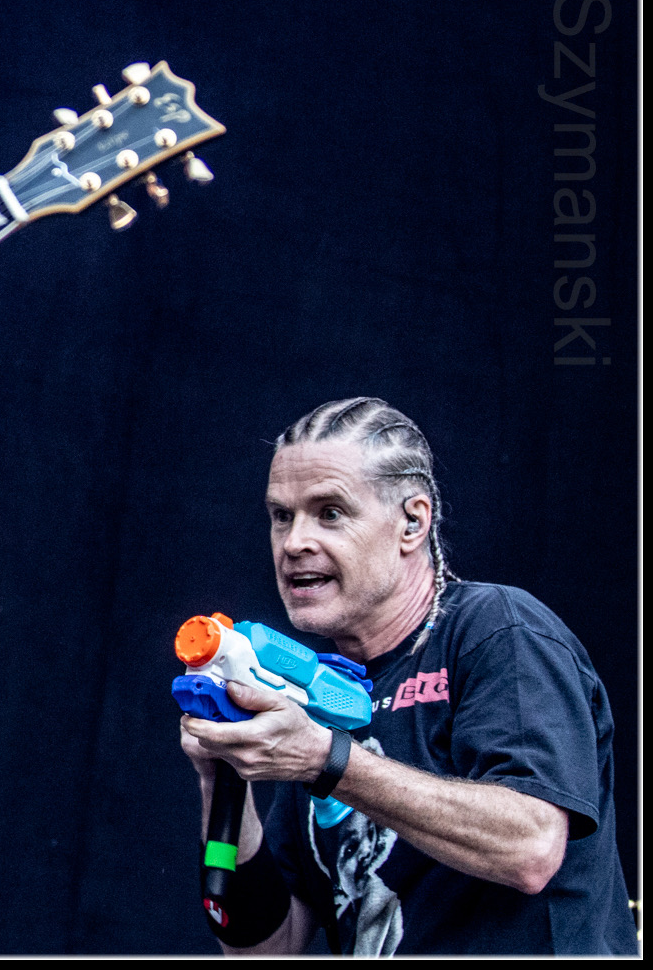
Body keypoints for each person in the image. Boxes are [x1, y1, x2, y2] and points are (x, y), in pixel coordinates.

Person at [178, 398, 635, 955]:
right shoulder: (315, 698)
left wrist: (325, 760)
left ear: (412, 523)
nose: (295, 542)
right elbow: (267, 949)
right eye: (281, 516)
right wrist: (221, 779)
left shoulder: (497, 629)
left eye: (330, 512)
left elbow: (531, 846)